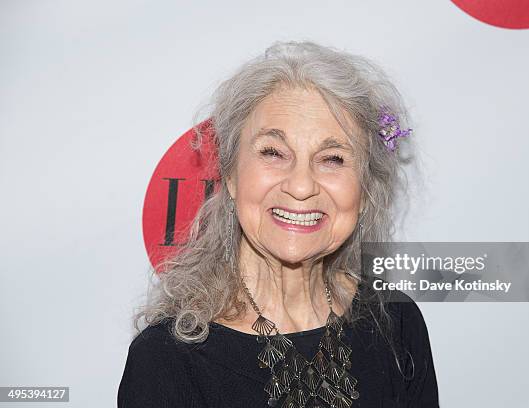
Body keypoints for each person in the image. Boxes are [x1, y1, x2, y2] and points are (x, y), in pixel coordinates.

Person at [118, 40, 439, 408]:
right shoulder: (167, 362)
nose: (301, 186)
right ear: (232, 175)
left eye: (332, 158)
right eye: (273, 152)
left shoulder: (397, 324)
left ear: (364, 190)